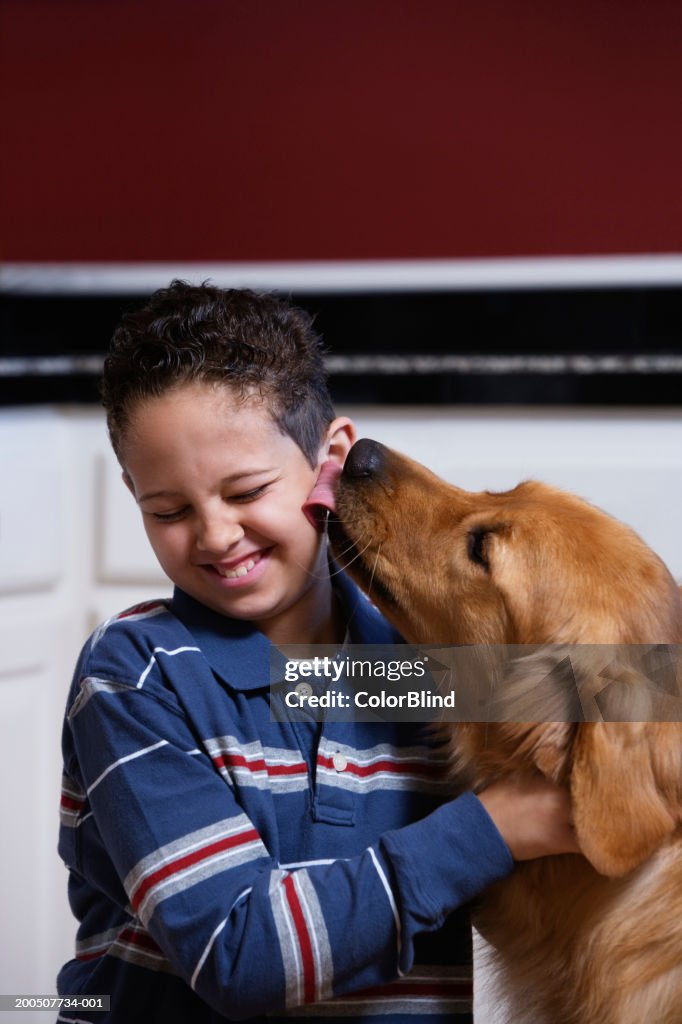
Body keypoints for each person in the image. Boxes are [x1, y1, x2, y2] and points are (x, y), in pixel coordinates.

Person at [57, 281, 578, 1024]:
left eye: (246, 491)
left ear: (331, 458)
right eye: (168, 510)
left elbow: (645, 694)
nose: (214, 535)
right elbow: (238, 955)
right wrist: (494, 828)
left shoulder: (418, 671)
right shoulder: (137, 676)